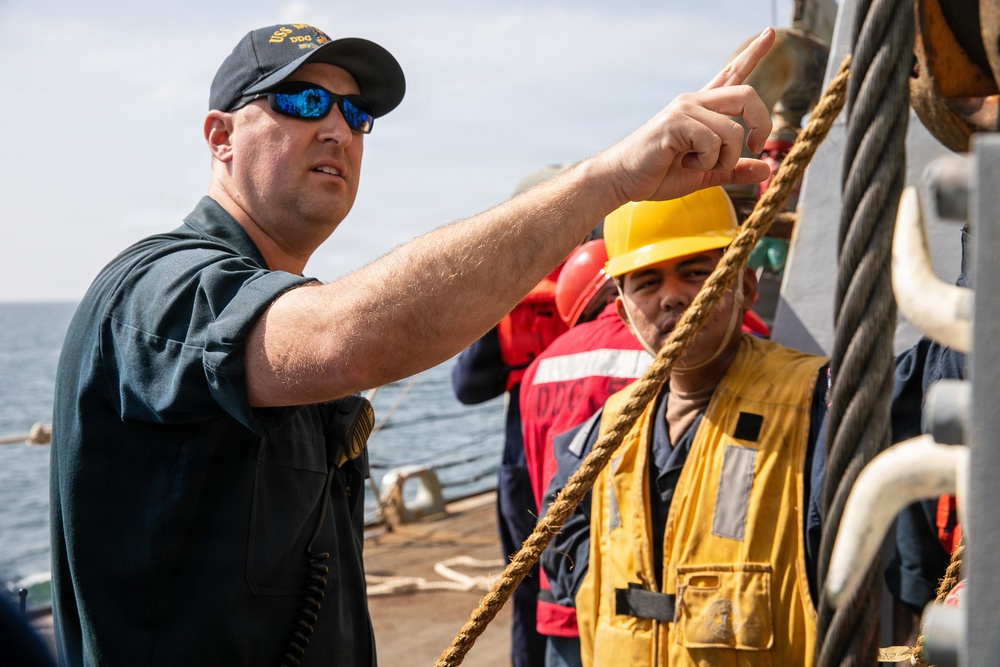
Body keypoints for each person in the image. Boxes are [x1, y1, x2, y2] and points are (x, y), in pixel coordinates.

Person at [49, 21, 779, 666]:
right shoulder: (156, 291)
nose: (337, 127)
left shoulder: (278, 306)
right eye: (302, 102)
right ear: (220, 137)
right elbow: (343, 340)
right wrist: (608, 180)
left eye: (356, 113)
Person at [545, 187, 832, 667]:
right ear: (623, 311)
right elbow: (560, 538)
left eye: (697, 272)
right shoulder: (606, 429)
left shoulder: (817, 402)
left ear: (746, 286)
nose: (673, 296)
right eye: (647, 282)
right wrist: (597, 579)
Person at [451, 165, 573, 667]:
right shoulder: (610, 281)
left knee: (527, 595)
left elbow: (468, 386)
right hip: (589, 457)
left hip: (524, 465)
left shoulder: (508, 296)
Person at [519, 239, 651, 667]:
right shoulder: (663, 353)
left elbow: (538, 478)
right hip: (644, 600)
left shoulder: (540, 368)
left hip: (559, 597)